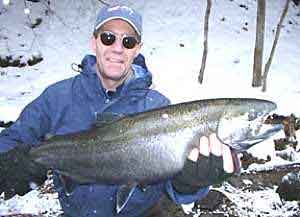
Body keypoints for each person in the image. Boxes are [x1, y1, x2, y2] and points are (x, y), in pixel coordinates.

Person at [0, 5, 239, 217]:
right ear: (94, 42)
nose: (117, 48)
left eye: (128, 41)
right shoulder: (57, 97)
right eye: (108, 38)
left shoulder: (158, 107)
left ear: (137, 49)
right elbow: (11, 139)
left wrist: (189, 184)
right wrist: (14, 160)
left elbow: (173, 189)